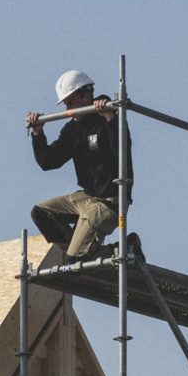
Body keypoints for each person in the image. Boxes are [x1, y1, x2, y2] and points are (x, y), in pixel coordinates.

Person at [26, 68, 136, 263]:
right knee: (41, 213)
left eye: (71, 103)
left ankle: (122, 248)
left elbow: (121, 151)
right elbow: (48, 161)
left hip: (109, 202)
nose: (68, 110)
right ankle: (82, 252)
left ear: (87, 95)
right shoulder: (73, 129)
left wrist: (109, 118)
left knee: (73, 262)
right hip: (87, 198)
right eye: (65, 104)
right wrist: (37, 134)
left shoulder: (110, 117)